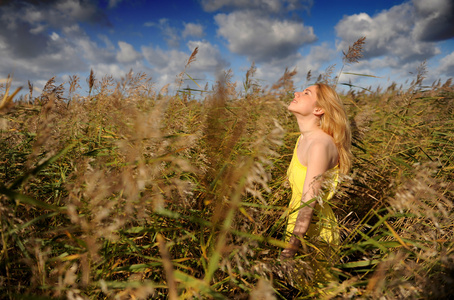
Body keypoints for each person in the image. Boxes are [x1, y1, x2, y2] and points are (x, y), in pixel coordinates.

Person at [280, 83, 352, 277]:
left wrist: (291, 247)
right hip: (298, 227)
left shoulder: (319, 144)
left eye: (306, 93)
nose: (296, 92)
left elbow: (309, 202)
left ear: (318, 109)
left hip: (316, 236)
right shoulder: (303, 139)